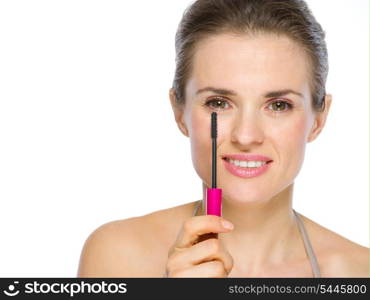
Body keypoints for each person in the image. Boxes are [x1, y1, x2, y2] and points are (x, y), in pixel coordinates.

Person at [77, 0, 369, 277]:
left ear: (319, 119)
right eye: (218, 103)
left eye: (279, 105)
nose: (246, 136)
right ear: (180, 112)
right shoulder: (117, 257)